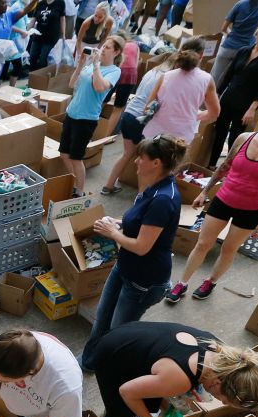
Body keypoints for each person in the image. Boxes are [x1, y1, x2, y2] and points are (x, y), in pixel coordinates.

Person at [167, 94, 258, 303]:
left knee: (229, 249)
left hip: (252, 209)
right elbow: (224, 166)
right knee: (203, 244)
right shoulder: (244, 139)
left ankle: (211, 281)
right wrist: (204, 191)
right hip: (224, 199)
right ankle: (181, 283)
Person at [79, 135, 186, 371]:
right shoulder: (151, 188)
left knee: (118, 332)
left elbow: (142, 246)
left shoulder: (163, 199)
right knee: (101, 320)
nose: (136, 161)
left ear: (156, 163)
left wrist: (112, 233)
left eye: (142, 158)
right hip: (124, 267)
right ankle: (89, 362)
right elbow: (138, 223)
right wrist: (117, 222)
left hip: (143, 281)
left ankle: (109, 368)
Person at [93, 321, 258, 417]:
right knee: (120, 412)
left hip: (131, 336)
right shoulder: (180, 379)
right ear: (216, 382)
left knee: (150, 402)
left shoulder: (226, 356)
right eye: (224, 400)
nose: (221, 402)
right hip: (111, 354)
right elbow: (127, 392)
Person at [209, 11, 258, 167]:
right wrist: (216, 94)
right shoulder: (243, 51)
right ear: (256, 33)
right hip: (229, 97)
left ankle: (229, 169)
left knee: (236, 138)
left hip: (246, 103)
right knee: (219, 133)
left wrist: (252, 108)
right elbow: (228, 75)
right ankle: (211, 165)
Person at [101, 54, 174, 195]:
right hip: (140, 119)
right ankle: (142, 195)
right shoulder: (166, 78)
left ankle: (108, 185)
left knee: (127, 154)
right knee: (144, 161)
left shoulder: (152, 71)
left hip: (128, 114)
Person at [62, 36, 123, 197]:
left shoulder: (114, 71)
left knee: (76, 158)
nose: (102, 49)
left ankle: (79, 191)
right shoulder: (90, 65)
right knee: (64, 153)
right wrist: (82, 63)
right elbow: (71, 84)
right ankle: (73, 181)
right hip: (72, 112)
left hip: (86, 119)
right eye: (103, 46)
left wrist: (96, 64)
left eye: (108, 48)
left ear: (116, 52)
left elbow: (99, 87)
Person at [141, 37, 220, 143]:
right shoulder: (207, 80)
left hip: (155, 133)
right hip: (180, 138)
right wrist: (195, 116)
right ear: (202, 55)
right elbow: (214, 113)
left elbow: (147, 108)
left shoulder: (166, 76)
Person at [210, 0, 258, 84]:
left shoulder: (240, 4)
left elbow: (223, 29)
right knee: (232, 81)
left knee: (215, 77)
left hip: (228, 47)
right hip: (246, 51)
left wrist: (230, 34)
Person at [105, 32, 139, 135]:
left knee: (102, 100)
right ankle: (105, 135)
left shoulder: (116, 46)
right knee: (118, 108)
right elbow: (136, 64)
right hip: (130, 75)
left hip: (116, 70)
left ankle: (92, 126)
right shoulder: (135, 45)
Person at [27, 0, 68, 71]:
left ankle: (42, 79)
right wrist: (27, 31)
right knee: (32, 57)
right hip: (38, 35)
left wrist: (63, 34)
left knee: (43, 59)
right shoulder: (40, 3)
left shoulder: (60, 2)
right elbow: (33, 19)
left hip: (51, 37)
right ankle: (32, 78)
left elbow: (62, 19)